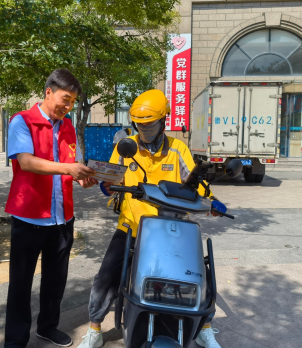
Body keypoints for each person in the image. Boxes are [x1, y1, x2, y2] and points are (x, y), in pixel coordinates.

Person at [77, 89, 227, 348]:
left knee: (200, 275)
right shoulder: (126, 148)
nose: (144, 128)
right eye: (139, 124)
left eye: (149, 124)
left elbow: (194, 183)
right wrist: (107, 186)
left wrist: (211, 200)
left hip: (172, 227)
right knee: (106, 277)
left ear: (163, 121)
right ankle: (95, 328)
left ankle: (204, 326)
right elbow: (113, 177)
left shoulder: (177, 149)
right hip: (132, 226)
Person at [4, 69, 98, 348]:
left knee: (56, 281)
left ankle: (48, 327)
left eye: (72, 102)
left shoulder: (68, 127)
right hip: (29, 216)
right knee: (20, 284)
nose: (68, 107)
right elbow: (27, 162)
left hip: (62, 218)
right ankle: (15, 340)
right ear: (48, 92)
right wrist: (68, 168)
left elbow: (74, 166)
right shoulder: (22, 121)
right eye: (65, 99)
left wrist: (83, 177)